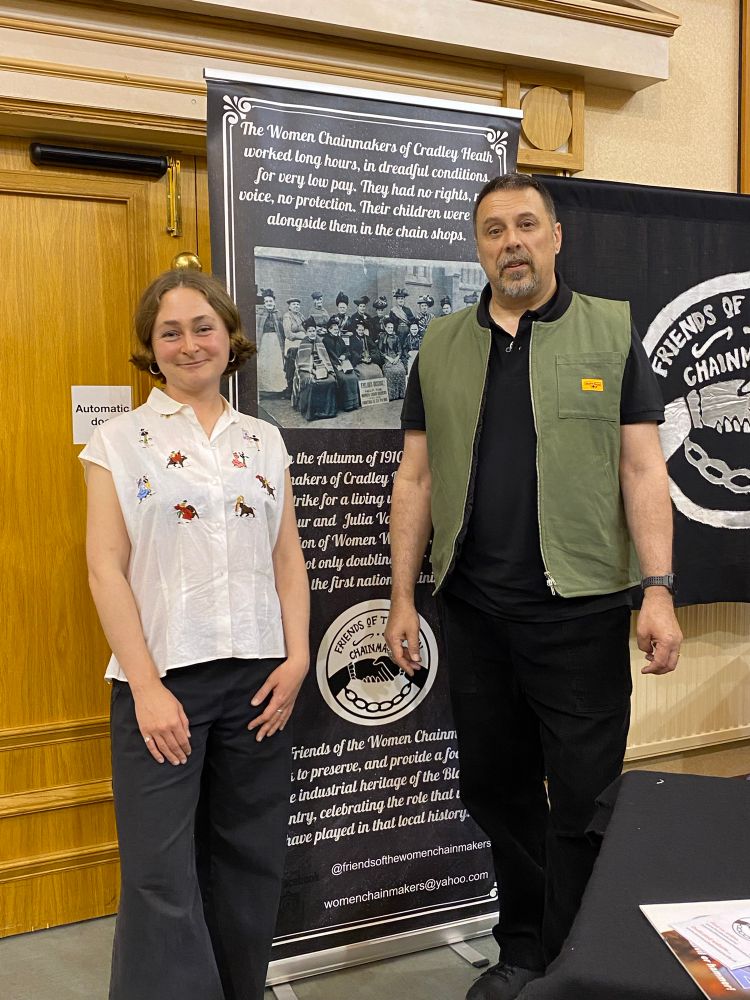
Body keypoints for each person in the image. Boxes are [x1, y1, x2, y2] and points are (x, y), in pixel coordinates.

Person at [384, 173, 683, 1000]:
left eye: (525, 225)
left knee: (584, 798)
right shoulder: (438, 344)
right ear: (478, 247)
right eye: (492, 230)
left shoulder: (608, 331)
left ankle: (573, 959)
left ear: (556, 237)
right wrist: (404, 596)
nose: (510, 241)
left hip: (581, 614)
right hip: (474, 612)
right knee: (494, 787)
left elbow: (641, 466)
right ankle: (522, 949)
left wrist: (657, 588)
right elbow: (415, 479)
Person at [80, 269, 310, 1000]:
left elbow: (289, 562)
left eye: (203, 327)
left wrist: (299, 657)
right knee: (160, 874)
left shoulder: (264, 439)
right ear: (151, 347)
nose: (189, 344)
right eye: (170, 332)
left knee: (248, 860)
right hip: (162, 682)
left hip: (259, 680)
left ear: (230, 338)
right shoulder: (120, 440)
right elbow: (104, 568)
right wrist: (145, 685)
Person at [294, 317, 338, 420]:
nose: (312, 333)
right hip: (306, 370)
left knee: (331, 380)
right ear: (307, 332)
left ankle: (328, 411)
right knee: (311, 382)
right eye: (310, 331)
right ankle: (312, 413)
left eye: (313, 331)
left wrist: (326, 369)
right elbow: (302, 363)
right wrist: (312, 371)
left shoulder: (319, 341)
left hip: (321, 368)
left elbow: (325, 358)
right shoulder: (304, 343)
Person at [322, 315, 361, 411]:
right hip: (333, 365)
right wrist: (337, 364)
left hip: (343, 363)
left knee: (354, 377)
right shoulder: (325, 340)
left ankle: (354, 404)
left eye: (337, 329)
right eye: (334, 329)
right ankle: (346, 405)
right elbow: (327, 355)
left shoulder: (339, 338)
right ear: (329, 330)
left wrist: (344, 356)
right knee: (344, 378)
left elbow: (346, 350)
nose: (336, 331)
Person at [255, 287, 285, 394]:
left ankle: (276, 387)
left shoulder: (278, 313)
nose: (269, 303)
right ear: (264, 303)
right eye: (267, 301)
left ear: (274, 302)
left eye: (271, 301)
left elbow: (282, 330)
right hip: (264, 340)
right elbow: (257, 329)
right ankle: (264, 387)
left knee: (275, 362)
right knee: (265, 362)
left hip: (275, 341)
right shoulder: (259, 313)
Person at [282, 296, 306, 399]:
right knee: (291, 366)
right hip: (292, 344)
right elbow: (288, 334)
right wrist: (300, 335)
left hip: (301, 343)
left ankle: (300, 387)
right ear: (290, 307)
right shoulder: (287, 316)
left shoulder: (301, 316)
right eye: (293, 304)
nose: (296, 306)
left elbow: (306, 328)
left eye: (297, 304)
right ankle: (290, 389)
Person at [378, 318, 407, 401]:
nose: (390, 329)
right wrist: (388, 358)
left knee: (401, 370)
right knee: (391, 371)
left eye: (392, 328)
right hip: (386, 358)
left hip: (395, 357)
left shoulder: (396, 337)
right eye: (389, 327)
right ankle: (392, 395)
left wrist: (397, 357)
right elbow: (380, 351)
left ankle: (401, 394)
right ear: (385, 328)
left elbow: (400, 350)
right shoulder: (382, 337)